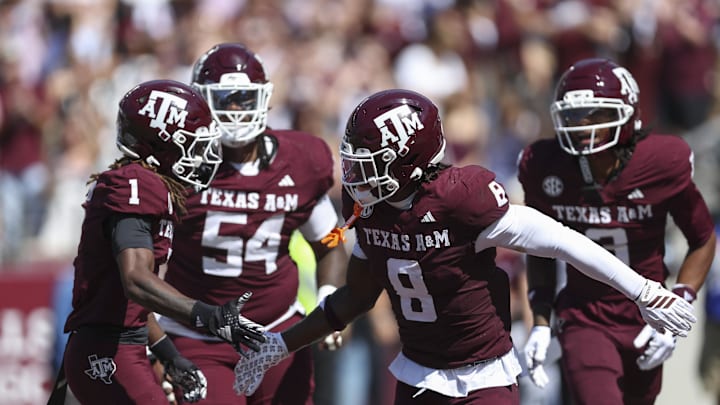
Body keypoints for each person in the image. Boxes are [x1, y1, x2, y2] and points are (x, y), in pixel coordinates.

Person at [231, 88, 698, 405]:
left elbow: (561, 241)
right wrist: (280, 344)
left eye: (371, 163)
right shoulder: (372, 212)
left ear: (410, 159)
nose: (357, 176)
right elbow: (354, 298)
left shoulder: (461, 198)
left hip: (484, 376)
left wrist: (644, 291)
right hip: (417, 375)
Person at [156, 43, 347, 405]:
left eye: (243, 98)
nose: (234, 109)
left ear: (263, 99)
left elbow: (332, 239)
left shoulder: (299, 160)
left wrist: (328, 295)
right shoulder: (178, 167)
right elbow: (143, 265)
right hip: (199, 338)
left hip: (278, 332)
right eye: (223, 98)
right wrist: (155, 343)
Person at [517, 58, 716, 405]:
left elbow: (701, 237)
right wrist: (541, 321)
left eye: (595, 114)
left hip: (648, 316)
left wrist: (679, 303)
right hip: (585, 315)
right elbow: (539, 249)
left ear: (627, 115)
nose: (581, 126)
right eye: (574, 116)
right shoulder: (545, 165)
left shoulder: (661, 161)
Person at [55, 79, 267, 405]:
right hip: (108, 350)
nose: (203, 157)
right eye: (194, 146)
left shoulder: (145, 184)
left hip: (119, 346)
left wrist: (167, 353)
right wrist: (209, 315)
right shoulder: (137, 185)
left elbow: (133, 300)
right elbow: (136, 281)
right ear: (162, 144)